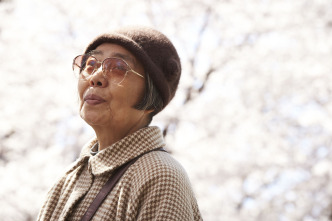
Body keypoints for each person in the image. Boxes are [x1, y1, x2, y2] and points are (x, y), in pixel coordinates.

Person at [37, 26, 202, 221]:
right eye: (90, 64)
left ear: (151, 96)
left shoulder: (160, 176)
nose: (95, 77)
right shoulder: (67, 180)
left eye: (117, 67)